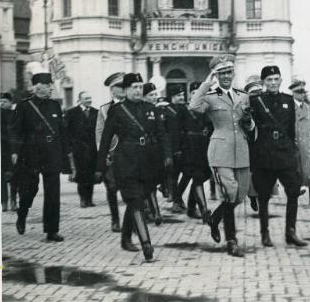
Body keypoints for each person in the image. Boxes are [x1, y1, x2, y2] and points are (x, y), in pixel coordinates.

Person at [96, 73, 172, 260]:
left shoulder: (150, 108)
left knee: (136, 200)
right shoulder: (117, 110)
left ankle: (126, 237)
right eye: (134, 87)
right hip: (126, 161)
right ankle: (146, 244)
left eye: (140, 87)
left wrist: (167, 155)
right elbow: (105, 139)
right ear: (126, 90)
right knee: (136, 200)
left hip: (148, 162)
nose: (138, 90)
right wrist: (100, 167)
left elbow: (162, 135)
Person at [190, 54, 255, 257]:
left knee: (240, 194)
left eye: (229, 72)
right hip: (220, 152)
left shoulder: (243, 95)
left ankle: (214, 218)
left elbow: (252, 126)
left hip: (241, 151)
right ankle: (231, 241)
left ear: (233, 73)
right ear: (216, 75)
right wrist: (205, 84)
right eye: (221, 73)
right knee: (230, 192)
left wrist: (249, 122)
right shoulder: (209, 96)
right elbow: (193, 107)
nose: (226, 76)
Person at [11, 72, 75, 241]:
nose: (51, 88)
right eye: (48, 86)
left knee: (53, 191)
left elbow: (61, 131)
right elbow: (16, 131)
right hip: (31, 153)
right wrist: (15, 152)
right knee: (29, 189)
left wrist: (66, 152)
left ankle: (51, 230)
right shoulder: (24, 106)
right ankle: (22, 213)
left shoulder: (54, 106)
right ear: (39, 87)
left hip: (51, 152)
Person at [250, 67, 307, 248]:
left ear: (281, 80)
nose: (273, 82)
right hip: (264, 153)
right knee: (264, 195)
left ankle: (290, 232)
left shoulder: (288, 100)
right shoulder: (256, 100)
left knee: (293, 191)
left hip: (284, 153)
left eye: (276, 79)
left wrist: (291, 149)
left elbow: (290, 128)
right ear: (263, 82)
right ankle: (264, 233)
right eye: (269, 80)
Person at [95, 72, 125, 232]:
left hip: (130, 154)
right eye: (120, 86)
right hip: (112, 154)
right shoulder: (104, 110)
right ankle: (115, 219)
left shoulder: (133, 105)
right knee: (112, 188)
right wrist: (103, 154)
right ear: (112, 89)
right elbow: (99, 133)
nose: (123, 89)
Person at [179, 81, 213, 221]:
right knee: (197, 176)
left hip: (205, 147)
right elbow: (177, 130)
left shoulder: (208, 110)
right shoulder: (184, 110)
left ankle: (191, 207)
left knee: (202, 176)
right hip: (190, 147)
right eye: (194, 93)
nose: (197, 96)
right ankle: (203, 209)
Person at [65, 91, 99, 208]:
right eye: (86, 98)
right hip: (78, 149)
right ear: (80, 100)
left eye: (90, 98)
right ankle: (83, 199)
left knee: (91, 174)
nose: (89, 100)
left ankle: (90, 199)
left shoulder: (96, 112)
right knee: (81, 175)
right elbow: (67, 131)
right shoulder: (71, 113)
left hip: (92, 149)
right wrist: (70, 147)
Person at [289, 79, 310, 208]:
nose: (302, 95)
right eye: (299, 92)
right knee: (296, 171)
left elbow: (309, 126)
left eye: (303, 92)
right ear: (293, 93)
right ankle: (294, 194)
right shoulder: (289, 107)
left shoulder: (307, 107)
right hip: (295, 144)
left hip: (307, 144)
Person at [142, 82, 163, 225]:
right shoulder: (139, 109)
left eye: (155, 94)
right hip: (141, 150)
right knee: (144, 182)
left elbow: (161, 132)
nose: (155, 97)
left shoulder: (155, 110)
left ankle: (153, 211)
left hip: (154, 150)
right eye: (151, 95)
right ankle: (152, 212)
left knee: (152, 181)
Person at [244, 79, 264, 213]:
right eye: (254, 93)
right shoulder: (247, 108)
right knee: (252, 171)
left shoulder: (265, 106)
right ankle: (252, 196)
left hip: (264, 143)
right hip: (250, 143)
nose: (257, 95)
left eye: (259, 92)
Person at [0, 92, 15, 212]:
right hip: (2, 150)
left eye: (4, 101)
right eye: (0, 101)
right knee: (1, 177)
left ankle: (13, 200)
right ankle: (3, 201)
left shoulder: (16, 114)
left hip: (14, 150)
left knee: (15, 176)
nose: (1, 103)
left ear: (11, 103)